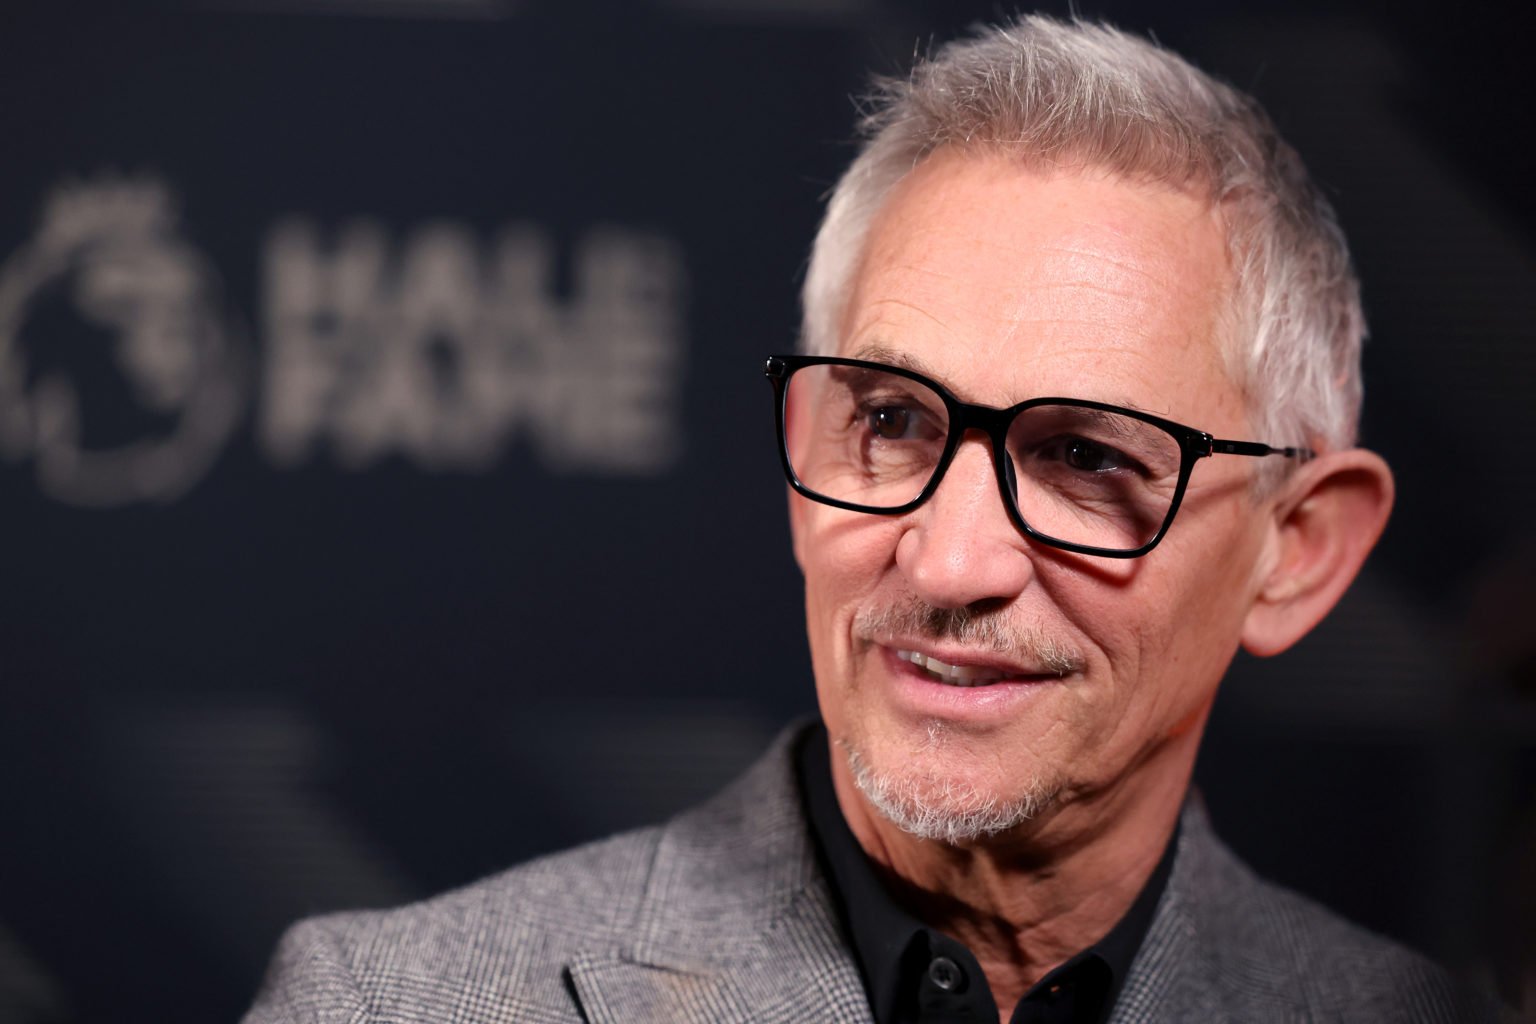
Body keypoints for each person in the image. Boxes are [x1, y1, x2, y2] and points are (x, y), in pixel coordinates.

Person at [244, 15, 1508, 1023]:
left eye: (1081, 456)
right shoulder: (388, 1006)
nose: (949, 559)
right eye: (893, 422)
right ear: (802, 453)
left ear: (1298, 550)